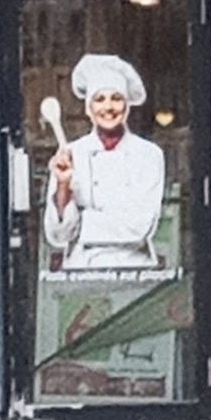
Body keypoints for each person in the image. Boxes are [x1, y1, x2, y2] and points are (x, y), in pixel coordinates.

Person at [43, 53, 166, 271]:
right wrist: (63, 184)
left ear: (127, 106)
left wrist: (81, 222)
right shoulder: (70, 154)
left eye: (116, 98)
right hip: (79, 271)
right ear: (88, 109)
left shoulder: (149, 155)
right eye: (99, 99)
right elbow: (58, 235)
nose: (108, 107)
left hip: (135, 271)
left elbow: (140, 227)